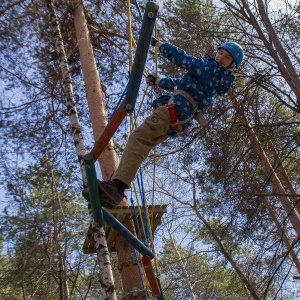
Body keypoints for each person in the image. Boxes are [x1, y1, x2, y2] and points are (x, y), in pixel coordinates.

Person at [83, 39, 244, 208]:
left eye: (226, 58)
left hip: (172, 111)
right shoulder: (213, 80)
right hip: (178, 120)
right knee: (143, 144)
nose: (220, 57)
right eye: (220, 53)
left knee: (138, 138)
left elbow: (183, 59)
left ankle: (116, 188)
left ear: (231, 65)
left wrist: (159, 45)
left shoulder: (209, 69)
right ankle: (114, 190)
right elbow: (178, 86)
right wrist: (158, 82)